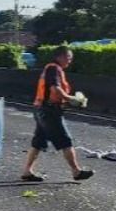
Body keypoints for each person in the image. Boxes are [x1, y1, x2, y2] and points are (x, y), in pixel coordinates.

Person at [21, 46, 94, 182]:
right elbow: (55, 88)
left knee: (38, 141)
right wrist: (71, 99)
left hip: (41, 109)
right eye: (68, 57)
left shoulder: (52, 69)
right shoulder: (53, 69)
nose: (70, 61)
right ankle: (76, 171)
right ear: (60, 56)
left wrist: (66, 100)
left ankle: (27, 171)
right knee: (65, 141)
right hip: (49, 111)